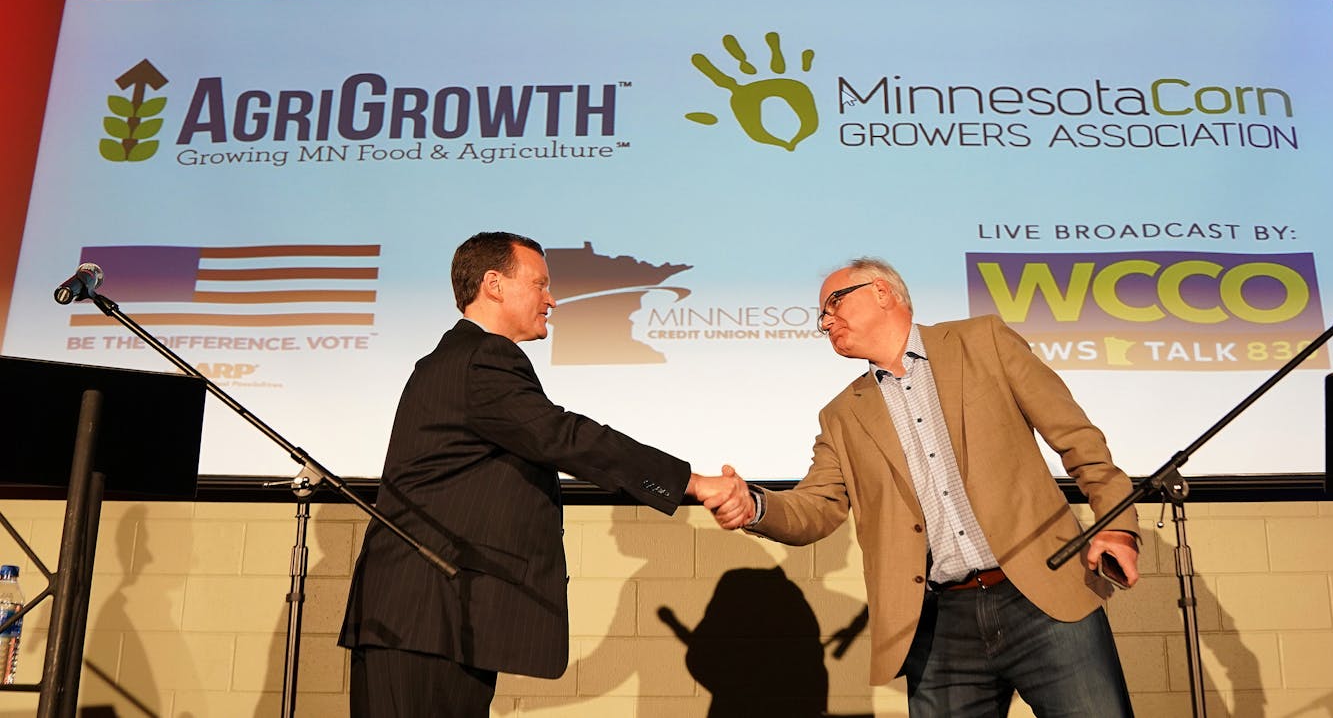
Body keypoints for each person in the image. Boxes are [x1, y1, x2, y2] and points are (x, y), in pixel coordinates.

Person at [714, 257, 1140, 717]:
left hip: (1043, 597)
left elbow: (1077, 439)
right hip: (939, 626)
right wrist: (754, 505)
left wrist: (1117, 525)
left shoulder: (984, 341)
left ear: (882, 292)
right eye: (821, 317)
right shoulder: (841, 416)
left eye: (834, 303)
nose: (825, 321)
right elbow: (815, 507)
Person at [339, 231, 741, 717]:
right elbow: (564, 436)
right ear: (494, 284)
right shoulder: (482, 357)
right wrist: (691, 483)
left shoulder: (459, 358)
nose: (552, 299)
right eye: (540, 284)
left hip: (435, 619)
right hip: (426, 616)